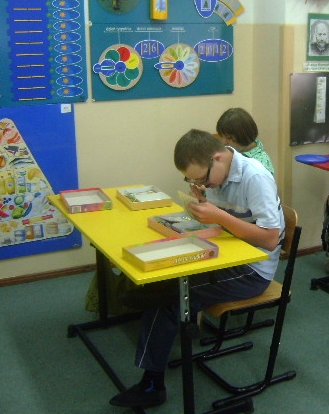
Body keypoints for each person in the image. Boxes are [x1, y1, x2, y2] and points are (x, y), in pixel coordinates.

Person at [110, 129, 285, 409]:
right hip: (225, 254)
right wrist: (205, 204)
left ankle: (152, 385)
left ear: (218, 158)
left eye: (201, 178)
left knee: (169, 299)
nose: (201, 183)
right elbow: (224, 223)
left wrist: (219, 216)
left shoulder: (255, 177)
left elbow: (270, 239)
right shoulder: (217, 174)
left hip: (253, 270)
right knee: (161, 281)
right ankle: (151, 302)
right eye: (192, 180)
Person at [216, 107, 275, 176]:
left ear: (243, 135)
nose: (223, 142)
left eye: (229, 138)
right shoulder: (232, 152)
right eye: (221, 136)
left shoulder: (260, 166)